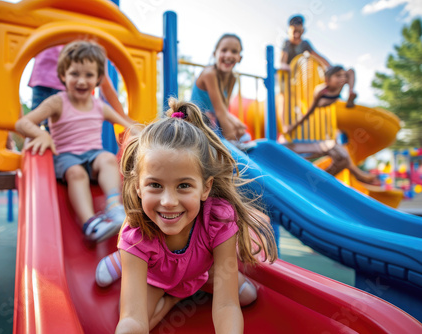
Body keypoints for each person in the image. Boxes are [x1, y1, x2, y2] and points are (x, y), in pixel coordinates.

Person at [95, 99, 278, 333]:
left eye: (183, 186)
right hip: (157, 277)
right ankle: (163, 287)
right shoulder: (137, 235)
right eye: (155, 185)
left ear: (205, 187)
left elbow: (226, 305)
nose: (169, 201)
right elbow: (132, 319)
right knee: (142, 324)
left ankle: (185, 288)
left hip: (200, 271)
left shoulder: (218, 219)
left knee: (247, 296)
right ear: (139, 187)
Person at [15, 41, 136, 242]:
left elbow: (126, 124)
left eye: (89, 75)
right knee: (76, 173)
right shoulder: (57, 101)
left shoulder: (99, 106)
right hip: (66, 157)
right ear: (63, 75)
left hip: (93, 156)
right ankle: (90, 223)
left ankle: (115, 206)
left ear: (98, 78)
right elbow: (23, 124)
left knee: (107, 158)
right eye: (74, 74)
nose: (81, 81)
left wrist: (141, 132)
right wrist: (43, 134)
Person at [282, 66, 380, 185]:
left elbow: (350, 72)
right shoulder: (321, 91)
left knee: (342, 156)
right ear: (327, 80)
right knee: (341, 155)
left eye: (343, 76)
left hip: (329, 127)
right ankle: (358, 176)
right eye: (338, 76)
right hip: (322, 114)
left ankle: (322, 181)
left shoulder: (341, 85)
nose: (342, 78)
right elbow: (309, 111)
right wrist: (294, 126)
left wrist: (351, 91)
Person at [281, 15, 357, 108]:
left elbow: (317, 56)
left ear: (303, 31)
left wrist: (330, 67)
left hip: (304, 80)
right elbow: (283, 59)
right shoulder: (287, 43)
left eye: (299, 32)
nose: (297, 35)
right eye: (294, 32)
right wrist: (284, 65)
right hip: (291, 78)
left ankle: (350, 92)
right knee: (284, 91)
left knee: (349, 72)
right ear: (289, 31)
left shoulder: (304, 44)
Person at [190, 33, 248, 142]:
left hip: (211, 122)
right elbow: (220, 112)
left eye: (234, 51)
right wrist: (231, 138)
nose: (229, 55)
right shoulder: (209, 74)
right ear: (214, 54)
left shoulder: (232, 79)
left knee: (240, 129)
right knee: (233, 133)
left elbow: (224, 110)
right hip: (195, 123)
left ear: (240, 58)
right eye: (224, 50)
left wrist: (237, 126)